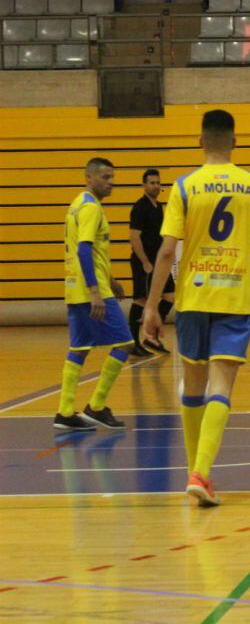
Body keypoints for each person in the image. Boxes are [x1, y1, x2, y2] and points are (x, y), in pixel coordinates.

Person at [141, 110, 250, 507]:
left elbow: (167, 251)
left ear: (200, 141)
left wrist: (151, 307)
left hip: (193, 297)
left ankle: (195, 472)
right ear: (235, 141)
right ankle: (201, 473)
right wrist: (244, 278)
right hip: (234, 297)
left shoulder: (184, 187)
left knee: (194, 386)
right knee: (222, 386)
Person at [53, 158, 135, 432]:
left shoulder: (77, 204)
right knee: (124, 344)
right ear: (89, 178)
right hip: (90, 291)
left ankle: (65, 412)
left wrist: (111, 281)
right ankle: (97, 406)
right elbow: (84, 250)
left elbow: (89, 250)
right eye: (105, 177)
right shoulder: (90, 207)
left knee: (79, 348)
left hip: (75, 288)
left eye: (113, 177)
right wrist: (96, 292)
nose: (111, 182)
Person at [128, 169, 173, 357]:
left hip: (158, 260)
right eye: (152, 183)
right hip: (145, 261)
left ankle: (151, 336)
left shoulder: (159, 206)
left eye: (158, 183)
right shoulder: (140, 207)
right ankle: (133, 342)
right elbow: (134, 237)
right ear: (144, 185)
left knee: (170, 296)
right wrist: (145, 261)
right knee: (141, 300)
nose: (156, 186)